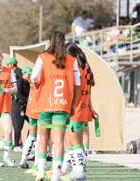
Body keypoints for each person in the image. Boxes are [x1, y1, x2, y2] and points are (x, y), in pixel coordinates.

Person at [31, 31, 81, 181]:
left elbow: (33, 77)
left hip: (45, 103)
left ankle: (40, 171)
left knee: (43, 138)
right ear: (64, 42)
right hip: (63, 104)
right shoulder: (72, 60)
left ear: (50, 42)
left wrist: (38, 86)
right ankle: (56, 175)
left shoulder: (42, 58)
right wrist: (73, 104)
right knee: (59, 140)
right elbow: (77, 84)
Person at [60, 42, 98, 180]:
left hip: (75, 109)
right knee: (77, 143)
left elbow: (71, 90)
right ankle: (71, 170)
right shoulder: (86, 67)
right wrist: (91, 108)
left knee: (73, 143)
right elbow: (88, 92)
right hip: (84, 108)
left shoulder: (74, 67)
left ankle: (79, 172)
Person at [12, 66, 31, 151]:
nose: (29, 76)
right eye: (28, 74)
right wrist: (28, 100)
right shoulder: (20, 82)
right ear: (23, 73)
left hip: (26, 106)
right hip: (18, 106)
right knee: (18, 126)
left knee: (33, 123)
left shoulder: (28, 83)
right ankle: (16, 144)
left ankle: (28, 142)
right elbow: (18, 94)